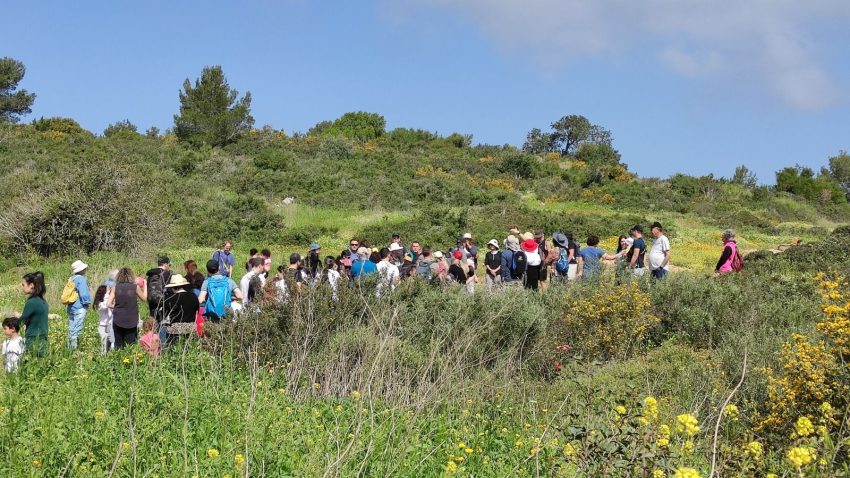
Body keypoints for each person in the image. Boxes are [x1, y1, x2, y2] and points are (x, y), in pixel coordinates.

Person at [108, 267, 147, 349]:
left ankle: (117, 359)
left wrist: (116, 307)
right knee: (129, 345)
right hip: (131, 319)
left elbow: (108, 304)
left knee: (118, 344)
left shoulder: (116, 287)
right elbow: (144, 298)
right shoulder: (135, 287)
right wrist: (146, 285)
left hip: (118, 318)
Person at [161, 274, 200, 346]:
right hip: (190, 329)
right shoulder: (193, 296)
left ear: (173, 287)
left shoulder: (169, 299)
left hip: (175, 331)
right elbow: (197, 310)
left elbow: (163, 315)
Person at [63, 260, 91, 350]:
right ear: (82, 269)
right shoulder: (81, 279)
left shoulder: (71, 279)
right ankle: (73, 350)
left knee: (71, 329)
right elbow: (84, 294)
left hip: (71, 307)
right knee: (77, 330)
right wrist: (87, 303)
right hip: (79, 307)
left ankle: (69, 348)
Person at [19, 272, 48, 357]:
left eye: (23, 284)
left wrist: (10, 326)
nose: (22, 287)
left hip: (33, 338)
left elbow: (22, 321)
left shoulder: (32, 302)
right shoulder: (42, 301)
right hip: (43, 337)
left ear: (31, 285)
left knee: (30, 364)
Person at [145, 256, 172, 321]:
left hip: (151, 302)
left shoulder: (150, 275)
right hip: (163, 302)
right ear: (165, 264)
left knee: (153, 321)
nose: (169, 266)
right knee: (163, 323)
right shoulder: (167, 274)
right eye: (169, 264)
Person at [94, 285, 114, 355]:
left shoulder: (110, 301)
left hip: (111, 326)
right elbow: (106, 305)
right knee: (104, 348)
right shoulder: (99, 304)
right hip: (103, 327)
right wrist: (107, 294)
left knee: (112, 346)